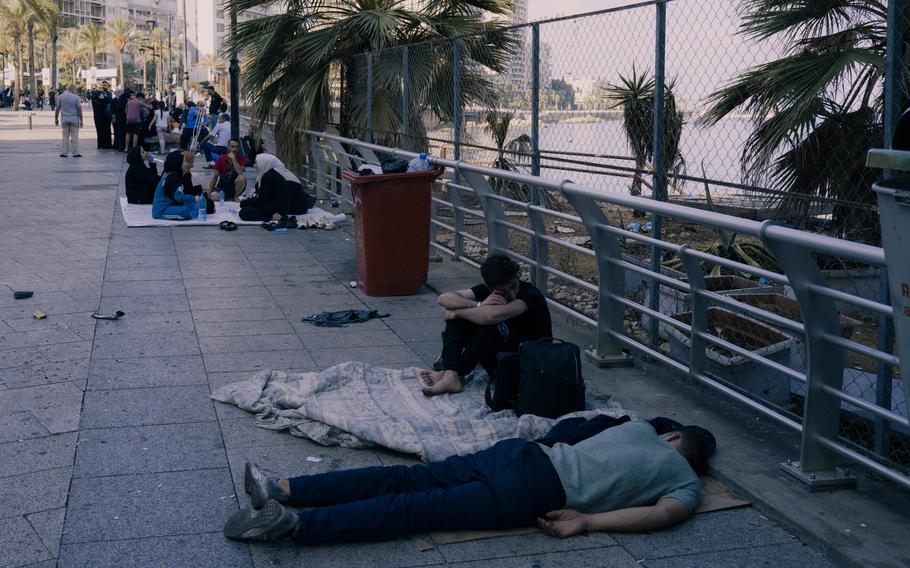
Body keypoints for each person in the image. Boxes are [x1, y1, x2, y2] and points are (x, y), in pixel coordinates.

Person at [222, 417, 715, 545]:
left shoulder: (638, 427)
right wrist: (587, 522)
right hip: (536, 493)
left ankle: (284, 487)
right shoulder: (686, 485)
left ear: (673, 435)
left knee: (405, 479)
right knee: (416, 511)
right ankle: (294, 528)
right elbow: (661, 515)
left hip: (521, 454)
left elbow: (575, 429)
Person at [420, 254, 552, 396]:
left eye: (513, 286)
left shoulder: (530, 294)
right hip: (503, 359)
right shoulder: (488, 291)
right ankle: (451, 374)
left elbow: (490, 316)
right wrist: (479, 304)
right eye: (503, 291)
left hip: (528, 362)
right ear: (491, 288)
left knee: (486, 324)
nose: (512, 294)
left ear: (516, 277)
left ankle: (453, 373)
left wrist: (457, 312)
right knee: (460, 317)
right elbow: (444, 298)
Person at [152, 151, 199, 220]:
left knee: (194, 206)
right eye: (186, 162)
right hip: (162, 210)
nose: (190, 165)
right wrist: (194, 198)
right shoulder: (174, 176)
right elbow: (179, 197)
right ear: (178, 163)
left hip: (169, 206)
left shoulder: (175, 175)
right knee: (186, 211)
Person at [55, 83, 83, 158]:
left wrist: (56, 118)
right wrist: (81, 120)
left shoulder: (61, 97)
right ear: (73, 89)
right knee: (74, 137)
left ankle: (64, 152)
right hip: (74, 119)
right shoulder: (76, 97)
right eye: (75, 89)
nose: (76, 90)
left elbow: (58, 108)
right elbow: (79, 109)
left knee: (65, 136)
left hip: (64, 119)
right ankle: (75, 152)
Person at [91, 81, 113, 149]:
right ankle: (100, 144)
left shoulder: (109, 94)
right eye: (103, 85)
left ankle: (107, 144)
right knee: (99, 130)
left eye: (105, 85)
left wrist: (106, 97)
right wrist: (100, 98)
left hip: (106, 116)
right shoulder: (95, 93)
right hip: (98, 115)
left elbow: (111, 102)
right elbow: (95, 104)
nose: (104, 87)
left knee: (107, 130)